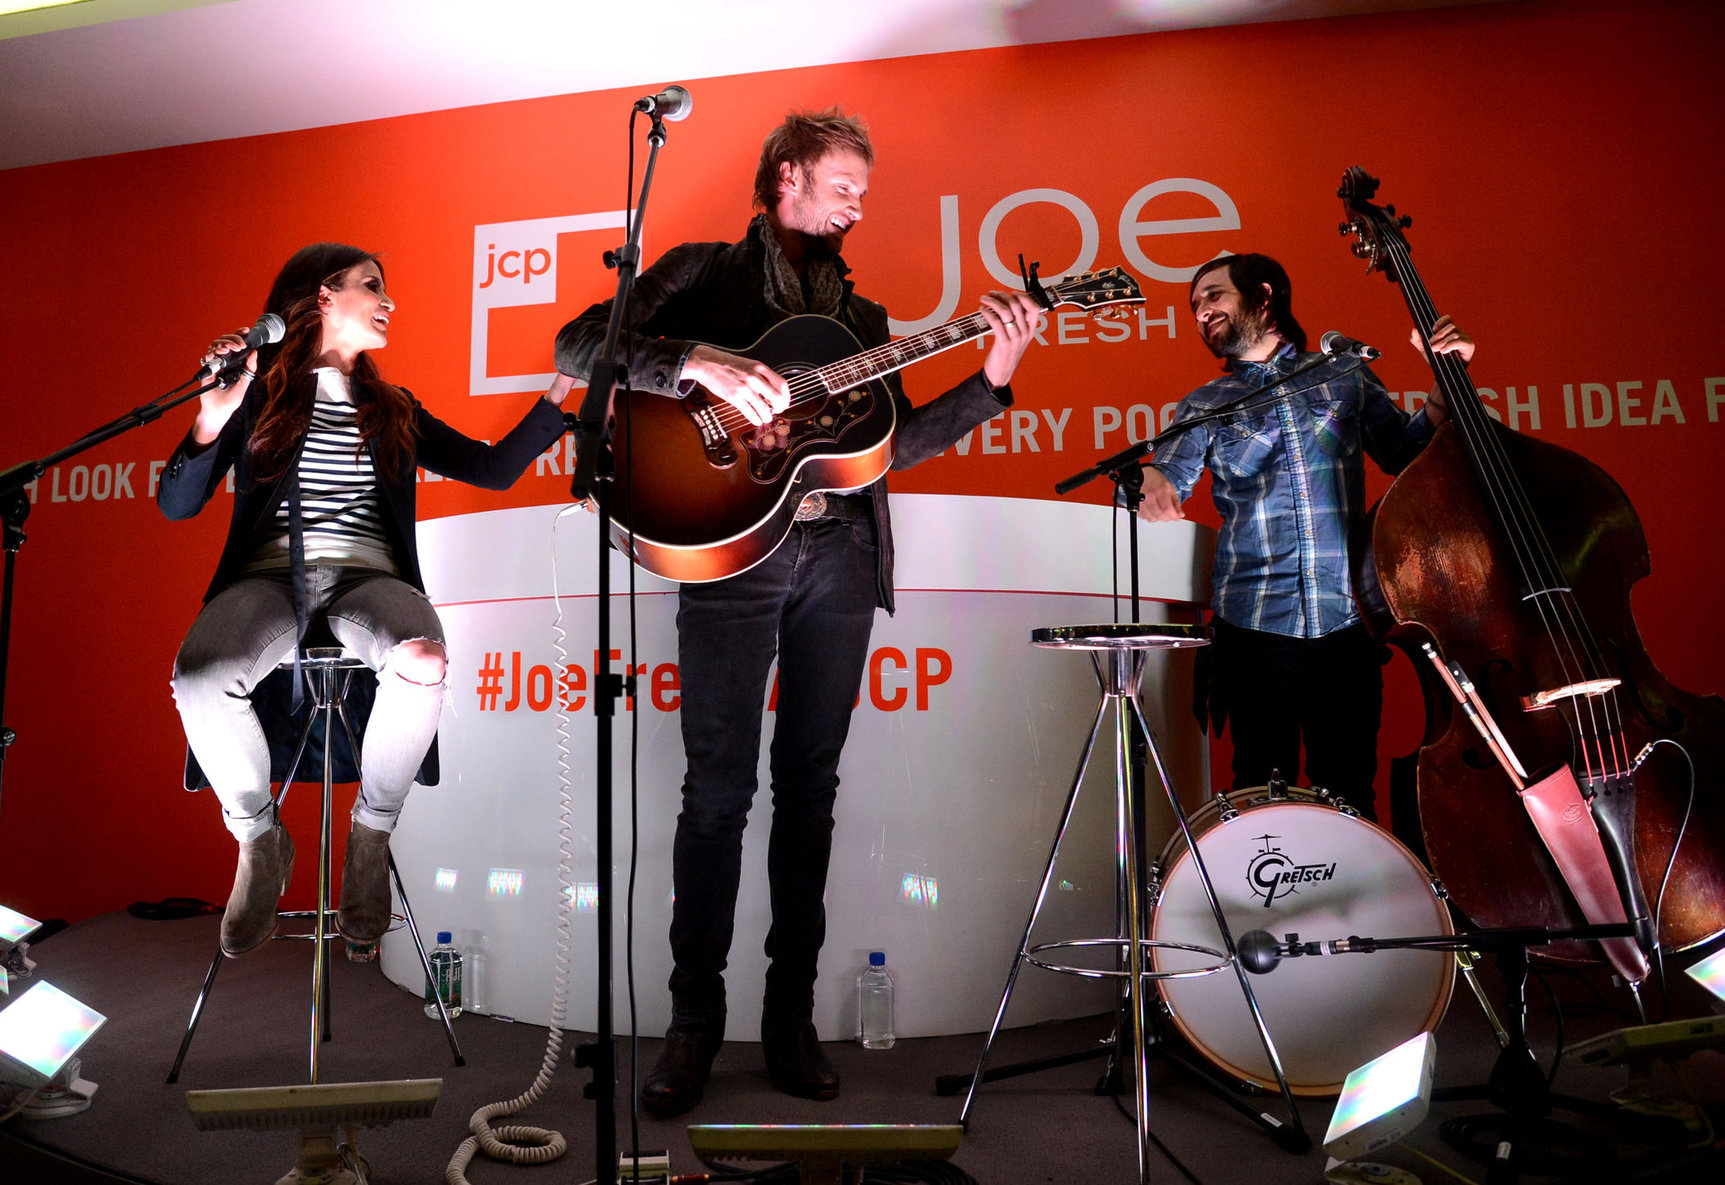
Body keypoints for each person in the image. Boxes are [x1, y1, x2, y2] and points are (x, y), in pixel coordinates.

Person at [554, 108, 1042, 1115]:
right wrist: (692, 361)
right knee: (715, 795)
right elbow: (576, 343)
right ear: (787, 177)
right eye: (844, 183)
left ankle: (789, 1019)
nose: (860, 202)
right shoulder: (701, 272)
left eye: (864, 187)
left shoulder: (860, 327)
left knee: (809, 789)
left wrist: (993, 379)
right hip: (734, 561)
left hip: (840, 557)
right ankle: (694, 1023)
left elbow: (886, 450)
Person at [161, 242, 571, 958]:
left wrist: (563, 389)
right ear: (324, 296)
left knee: (421, 655)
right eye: (372, 285)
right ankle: (260, 839)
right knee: (198, 671)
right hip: (268, 580)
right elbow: (176, 503)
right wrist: (209, 415)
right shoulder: (255, 394)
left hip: (368, 582)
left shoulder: (393, 408)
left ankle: (371, 834)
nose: (389, 301)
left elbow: (491, 468)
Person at [1137, 253, 1474, 820]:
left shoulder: (1343, 374)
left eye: (1213, 295)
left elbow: (1405, 454)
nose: (1202, 311)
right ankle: (1273, 908)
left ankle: (1349, 910)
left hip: (1347, 624)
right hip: (1252, 627)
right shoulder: (1203, 405)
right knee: (1260, 795)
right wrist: (1149, 479)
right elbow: (1163, 474)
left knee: (1349, 794)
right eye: (1196, 305)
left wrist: (1447, 380)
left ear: (1264, 296)